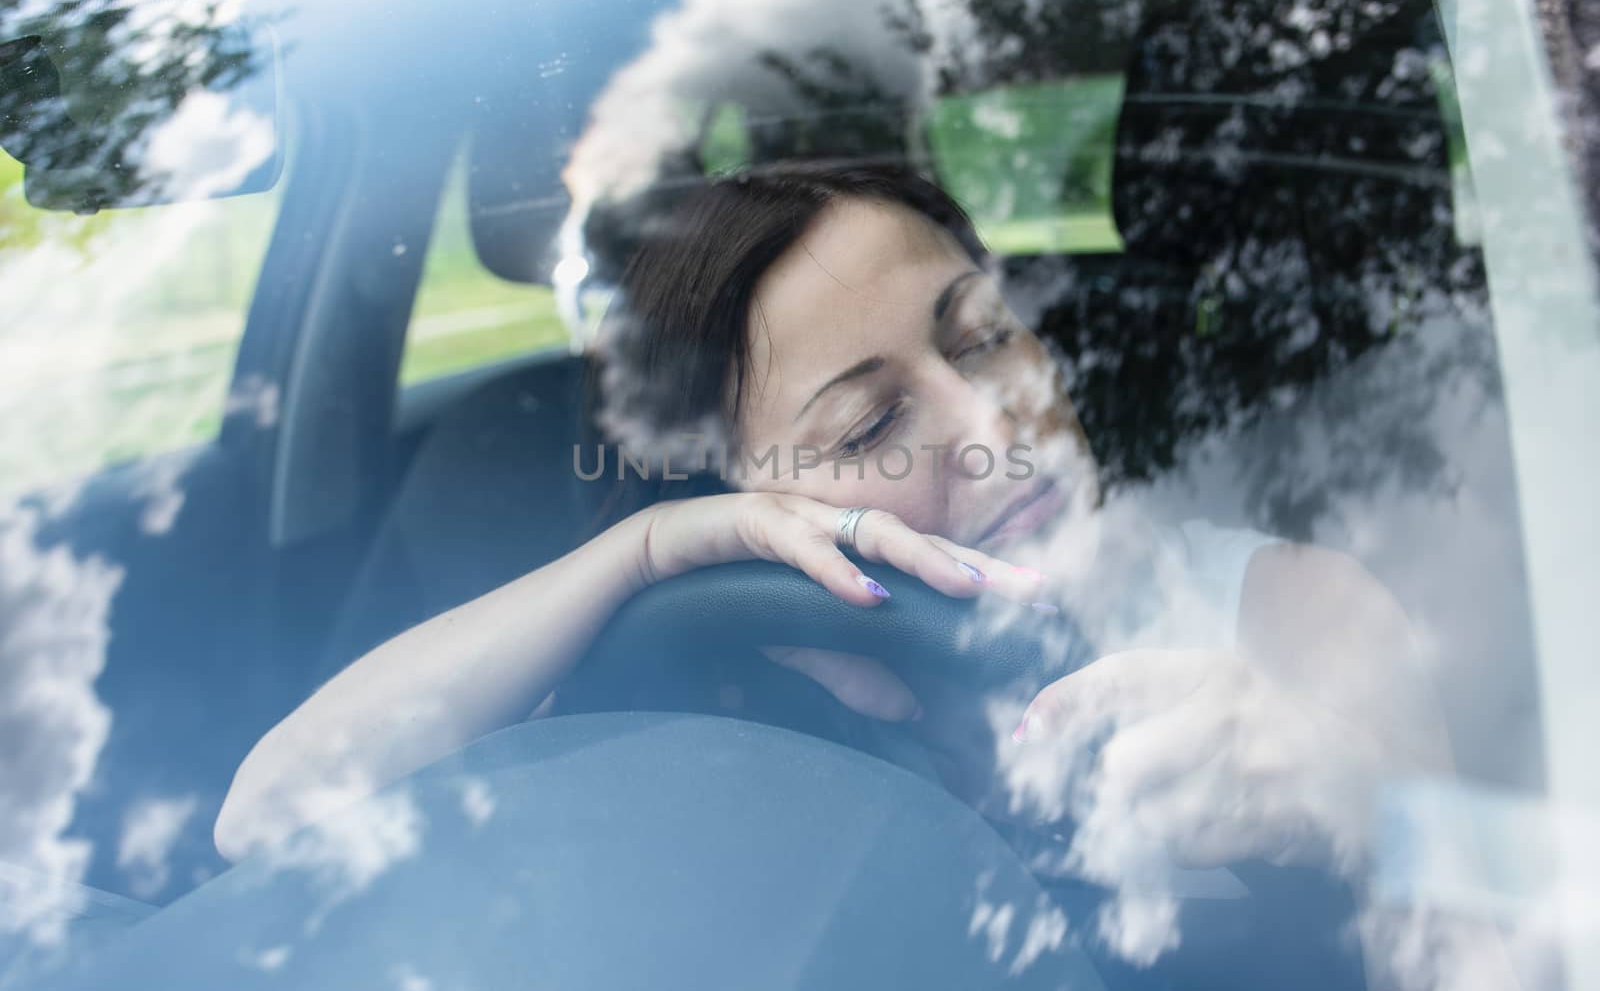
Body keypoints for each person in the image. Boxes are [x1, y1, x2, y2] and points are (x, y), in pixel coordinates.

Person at [214, 161, 1452, 881]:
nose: (992, 419)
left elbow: (1485, 930)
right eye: (867, 430)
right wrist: (645, 557)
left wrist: (1349, 794)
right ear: (743, 505)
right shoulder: (687, 689)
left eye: (984, 334)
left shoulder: (1289, 609)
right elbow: (267, 812)